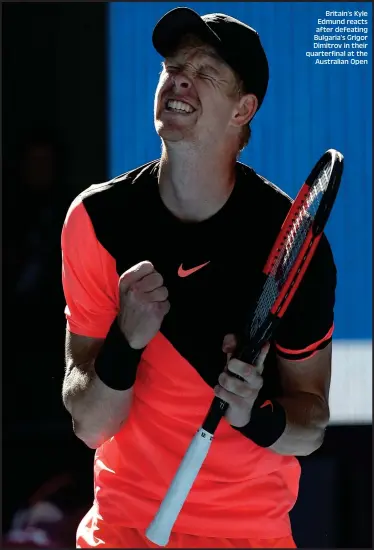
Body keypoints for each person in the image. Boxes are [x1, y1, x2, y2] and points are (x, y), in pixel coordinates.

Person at [61, 8, 336, 549]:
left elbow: (311, 426)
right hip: (122, 533)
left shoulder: (293, 245)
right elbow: (90, 425)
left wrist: (256, 415)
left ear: (244, 109)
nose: (179, 78)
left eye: (206, 70)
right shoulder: (97, 221)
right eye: (172, 65)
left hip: (248, 537)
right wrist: (125, 343)